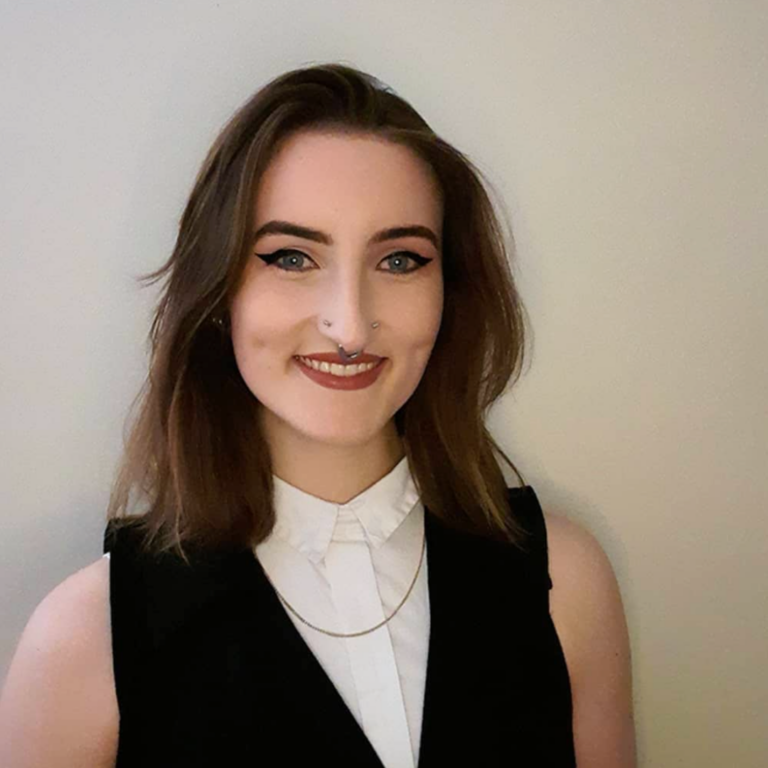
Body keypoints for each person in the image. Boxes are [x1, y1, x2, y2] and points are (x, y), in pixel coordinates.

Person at [0, 63, 636, 767]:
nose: (350, 326)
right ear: (218, 293)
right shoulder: (87, 638)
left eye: (399, 260)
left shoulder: (565, 582)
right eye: (291, 257)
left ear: (451, 289)